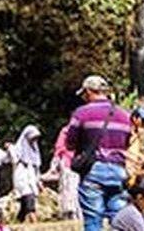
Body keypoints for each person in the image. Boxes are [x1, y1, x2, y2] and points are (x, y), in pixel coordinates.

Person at [66, 74, 133, 231]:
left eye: (84, 94)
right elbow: (127, 143)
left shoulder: (81, 113)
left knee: (93, 221)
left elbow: (70, 143)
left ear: (89, 91)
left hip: (93, 171)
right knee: (120, 221)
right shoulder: (124, 115)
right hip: (118, 171)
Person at [43, 124, 81, 220]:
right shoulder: (68, 131)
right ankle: (72, 213)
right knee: (71, 190)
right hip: (72, 165)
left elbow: (58, 149)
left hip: (74, 165)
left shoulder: (67, 131)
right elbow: (59, 149)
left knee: (70, 190)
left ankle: (73, 212)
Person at [10, 125, 42, 223]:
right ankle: (36, 224)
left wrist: (39, 182)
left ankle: (19, 221)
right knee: (29, 200)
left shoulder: (34, 152)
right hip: (22, 178)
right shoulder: (16, 149)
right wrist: (10, 148)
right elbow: (14, 161)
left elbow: (36, 168)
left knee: (25, 204)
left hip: (31, 179)